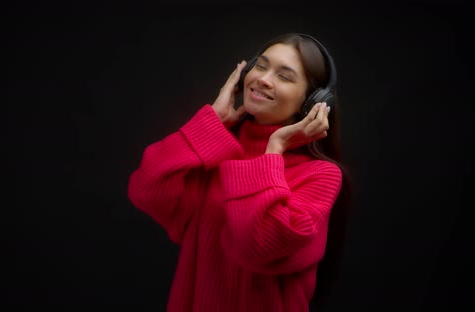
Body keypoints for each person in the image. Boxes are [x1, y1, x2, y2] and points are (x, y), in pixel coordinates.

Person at [128, 33, 352, 311]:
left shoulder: (321, 176)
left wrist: (275, 147)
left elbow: (254, 247)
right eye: (261, 66)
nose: (263, 79)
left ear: (312, 102)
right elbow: (145, 189)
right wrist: (212, 123)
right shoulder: (216, 153)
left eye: (284, 76)